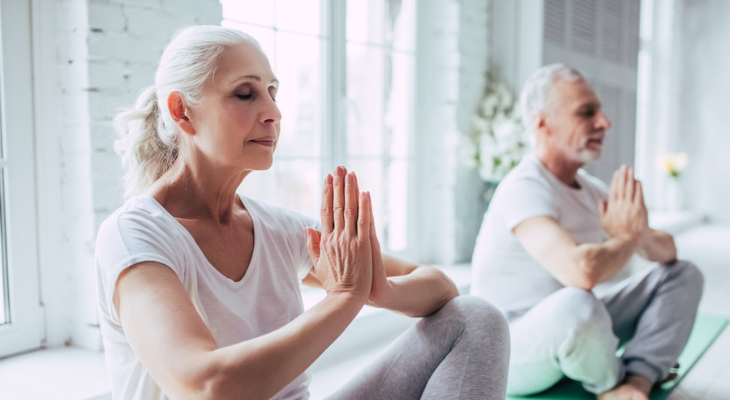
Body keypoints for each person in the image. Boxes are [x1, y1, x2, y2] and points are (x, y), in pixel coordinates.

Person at [95, 25, 509, 400]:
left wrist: (375, 287)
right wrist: (345, 297)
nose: (273, 113)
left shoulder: (277, 228)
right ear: (182, 111)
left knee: (474, 319)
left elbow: (440, 286)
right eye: (246, 93)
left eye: (273, 92)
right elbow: (206, 386)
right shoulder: (135, 236)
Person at [470, 64, 703, 400]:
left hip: (574, 328)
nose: (604, 122)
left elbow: (668, 252)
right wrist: (627, 236)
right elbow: (581, 272)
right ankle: (612, 382)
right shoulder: (523, 186)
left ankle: (635, 382)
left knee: (683, 275)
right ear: (541, 123)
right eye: (586, 112)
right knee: (578, 303)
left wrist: (638, 232)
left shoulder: (591, 190)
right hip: (507, 349)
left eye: (600, 112)